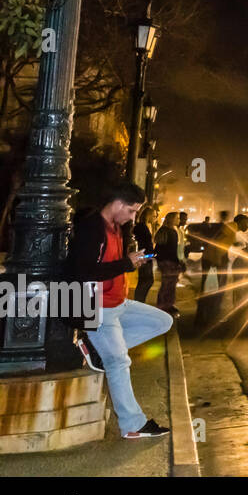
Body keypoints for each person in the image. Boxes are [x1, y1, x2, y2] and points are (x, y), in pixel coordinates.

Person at [69, 182, 172, 439]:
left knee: (162, 321)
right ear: (117, 203)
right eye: (132, 210)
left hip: (119, 302)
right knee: (119, 362)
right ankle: (133, 425)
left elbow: (112, 264)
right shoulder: (92, 227)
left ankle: (95, 350)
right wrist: (126, 263)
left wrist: (129, 262)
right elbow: (83, 271)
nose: (133, 216)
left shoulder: (117, 227)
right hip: (98, 306)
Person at [154, 212, 183, 315]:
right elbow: (172, 250)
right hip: (171, 262)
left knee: (165, 285)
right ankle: (167, 305)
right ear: (172, 220)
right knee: (170, 286)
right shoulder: (172, 232)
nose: (179, 220)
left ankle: (161, 305)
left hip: (163, 262)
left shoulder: (162, 231)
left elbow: (157, 249)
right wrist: (178, 263)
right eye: (177, 218)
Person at [131, 206, 158, 303]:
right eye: (154, 215)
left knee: (147, 280)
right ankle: (139, 301)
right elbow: (140, 241)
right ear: (148, 215)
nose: (155, 218)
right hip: (144, 256)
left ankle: (140, 301)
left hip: (148, 256)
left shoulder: (147, 226)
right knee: (146, 280)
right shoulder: (141, 226)